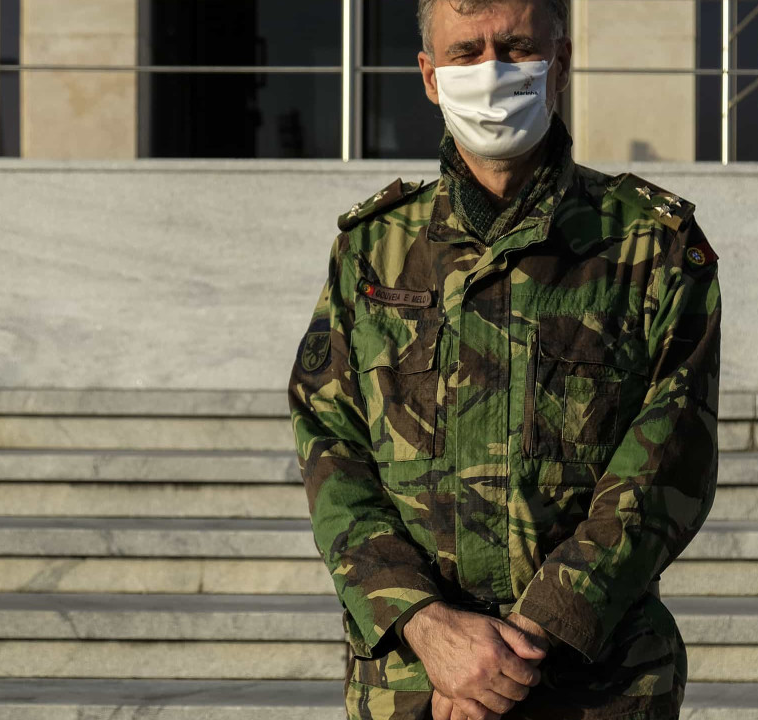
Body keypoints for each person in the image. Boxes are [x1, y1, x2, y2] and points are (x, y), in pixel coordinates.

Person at [287, 0, 721, 718]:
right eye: (465, 52)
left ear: (561, 60)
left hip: (597, 683)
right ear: (429, 77)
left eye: (516, 46)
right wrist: (430, 629)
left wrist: (517, 646)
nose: (491, 71)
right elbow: (331, 448)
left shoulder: (652, 247)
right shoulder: (373, 250)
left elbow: (669, 461)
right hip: (414, 685)